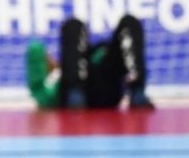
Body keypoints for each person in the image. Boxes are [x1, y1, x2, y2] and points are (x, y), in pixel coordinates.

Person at [26, 14, 155, 110]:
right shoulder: (51, 83)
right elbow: (35, 50)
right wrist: (54, 68)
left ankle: (137, 91)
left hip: (109, 83)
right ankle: (75, 94)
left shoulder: (101, 53)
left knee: (129, 22)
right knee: (73, 25)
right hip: (79, 89)